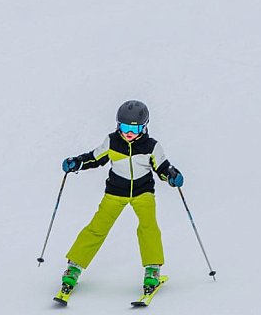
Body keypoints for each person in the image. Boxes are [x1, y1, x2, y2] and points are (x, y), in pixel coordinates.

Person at [57, 100, 184, 294]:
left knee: (148, 227)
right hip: (115, 192)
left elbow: (162, 168)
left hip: (143, 192)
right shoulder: (112, 141)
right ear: (118, 125)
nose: (128, 133)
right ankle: (74, 267)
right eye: (124, 127)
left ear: (145, 126)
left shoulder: (152, 146)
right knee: (97, 228)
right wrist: (77, 163)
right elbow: (94, 158)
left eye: (135, 128)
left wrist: (172, 176)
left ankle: (152, 269)